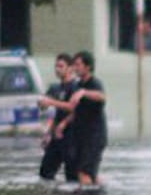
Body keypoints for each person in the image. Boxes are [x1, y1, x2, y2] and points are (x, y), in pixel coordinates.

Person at [58, 50, 107, 187]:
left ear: (88, 67)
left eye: (78, 64)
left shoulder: (94, 83)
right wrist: (63, 123)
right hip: (82, 136)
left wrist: (84, 93)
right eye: (74, 65)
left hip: (95, 136)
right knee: (89, 173)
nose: (75, 68)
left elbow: (102, 96)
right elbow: (75, 110)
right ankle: (99, 191)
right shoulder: (78, 85)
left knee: (83, 173)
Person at [38, 53, 77, 182]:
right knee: (45, 173)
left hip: (72, 136)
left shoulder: (76, 87)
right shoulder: (55, 88)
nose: (57, 69)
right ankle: (53, 193)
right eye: (56, 66)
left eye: (61, 66)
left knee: (72, 175)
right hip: (56, 136)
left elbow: (75, 110)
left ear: (70, 68)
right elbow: (49, 110)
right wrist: (48, 133)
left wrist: (52, 102)